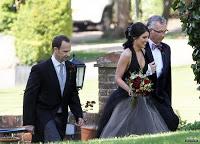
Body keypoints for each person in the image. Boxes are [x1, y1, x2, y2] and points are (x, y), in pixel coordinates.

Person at [98, 22, 169, 138]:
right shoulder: (126, 54)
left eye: (147, 37)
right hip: (125, 97)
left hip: (141, 97)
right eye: (144, 37)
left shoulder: (143, 51)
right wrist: (130, 89)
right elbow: (117, 78)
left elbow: (141, 73)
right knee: (121, 130)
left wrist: (149, 71)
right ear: (135, 37)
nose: (147, 40)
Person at [23, 35, 84, 143]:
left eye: (69, 51)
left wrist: (78, 115)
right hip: (44, 114)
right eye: (65, 51)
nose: (68, 54)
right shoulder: (40, 69)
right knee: (55, 141)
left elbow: (73, 94)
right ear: (55, 49)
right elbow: (29, 96)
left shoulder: (71, 68)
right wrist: (28, 122)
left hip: (62, 117)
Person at [145, 15, 179, 131]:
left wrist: (168, 101)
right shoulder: (141, 46)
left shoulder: (166, 49)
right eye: (159, 32)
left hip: (161, 94)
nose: (163, 35)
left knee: (173, 122)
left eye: (165, 31)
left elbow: (167, 76)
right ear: (150, 30)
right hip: (145, 94)